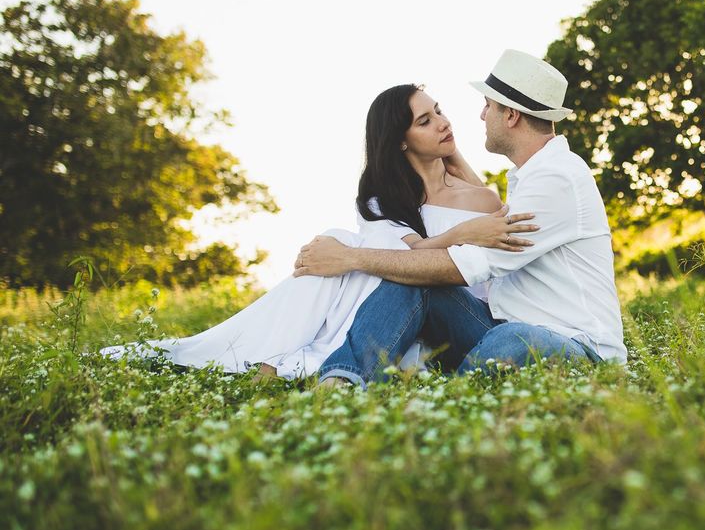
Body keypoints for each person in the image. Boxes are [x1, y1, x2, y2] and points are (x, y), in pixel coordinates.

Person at [100, 84, 538, 378]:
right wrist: (466, 231)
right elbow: (407, 260)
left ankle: (307, 360)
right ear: (400, 141)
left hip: (455, 315)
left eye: (439, 111)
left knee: (346, 247)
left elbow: (460, 258)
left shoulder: (481, 200)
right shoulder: (381, 202)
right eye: (425, 121)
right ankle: (272, 349)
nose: (444, 122)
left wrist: (460, 182)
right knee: (346, 242)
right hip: (394, 299)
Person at [293, 49, 627, 387]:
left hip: (575, 344)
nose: (482, 116)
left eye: (488, 106)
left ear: (511, 116)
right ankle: (343, 380)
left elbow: (463, 266)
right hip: (499, 325)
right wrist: (453, 158)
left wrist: (351, 258)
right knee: (415, 281)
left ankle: (450, 391)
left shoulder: (557, 178)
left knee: (512, 341)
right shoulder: (529, 176)